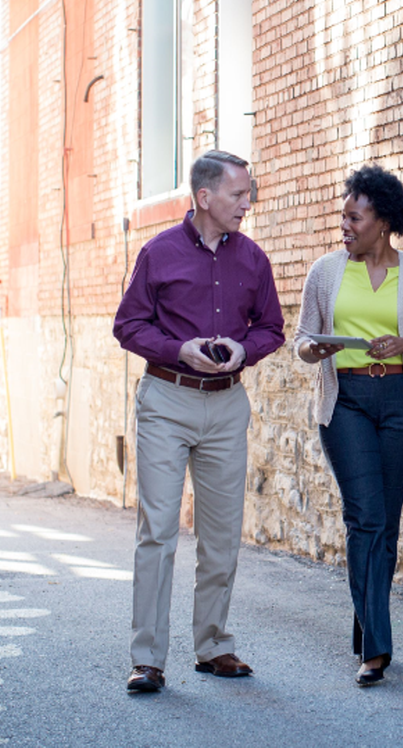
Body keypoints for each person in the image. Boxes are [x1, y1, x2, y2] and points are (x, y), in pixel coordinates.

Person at [114, 150, 285, 692]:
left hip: (227, 403)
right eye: (239, 195)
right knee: (158, 531)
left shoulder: (254, 259)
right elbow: (128, 324)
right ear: (205, 198)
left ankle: (213, 646)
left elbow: (273, 329)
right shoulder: (158, 253)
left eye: (249, 192)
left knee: (220, 534)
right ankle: (148, 657)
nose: (247, 203)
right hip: (167, 398)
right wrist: (177, 349)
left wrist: (243, 348)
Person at [294, 164, 403, 686]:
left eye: (353, 218)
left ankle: (366, 628)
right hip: (347, 403)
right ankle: (377, 650)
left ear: (382, 222)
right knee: (365, 518)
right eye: (343, 217)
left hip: (400, 403)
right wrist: (314, 350)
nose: (345, 226)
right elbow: (302, 340)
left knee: (386, 522)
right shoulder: (326, 271)